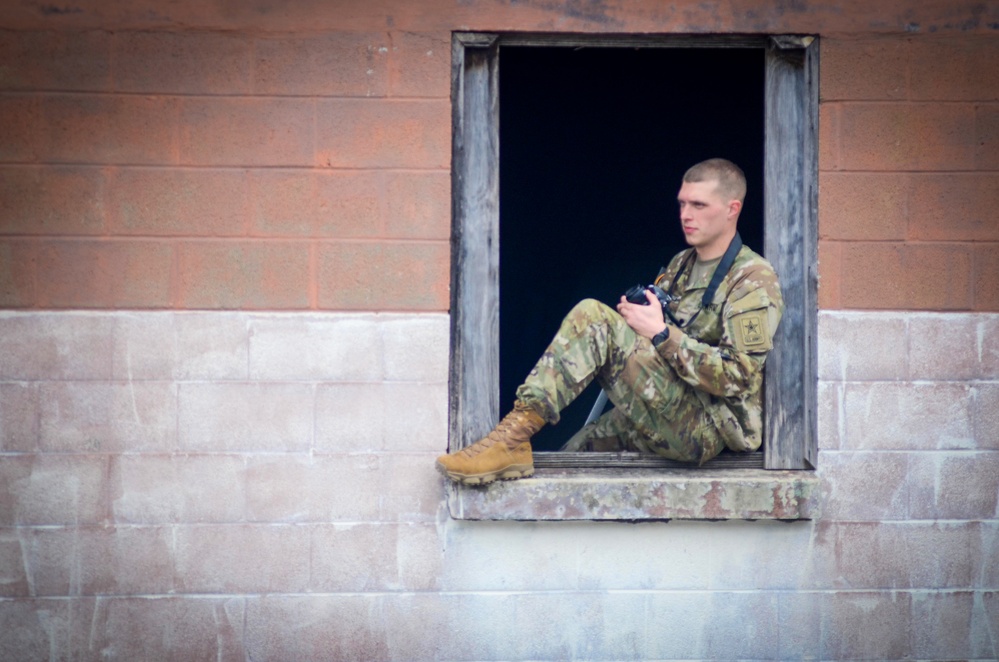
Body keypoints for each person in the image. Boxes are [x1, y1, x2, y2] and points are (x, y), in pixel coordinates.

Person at [436, 158, 784, 485]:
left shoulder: (752, 279)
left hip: (708, 429)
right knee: (572, 458)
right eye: (682, 204)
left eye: (699, 206)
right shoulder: (682, 264)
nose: (686, 215)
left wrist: (661, 334)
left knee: (593, 316)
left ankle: (512, 438)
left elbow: (739, 376)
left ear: (731, 209)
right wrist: (636, 323)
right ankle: (512, 446)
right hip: (667, 400)